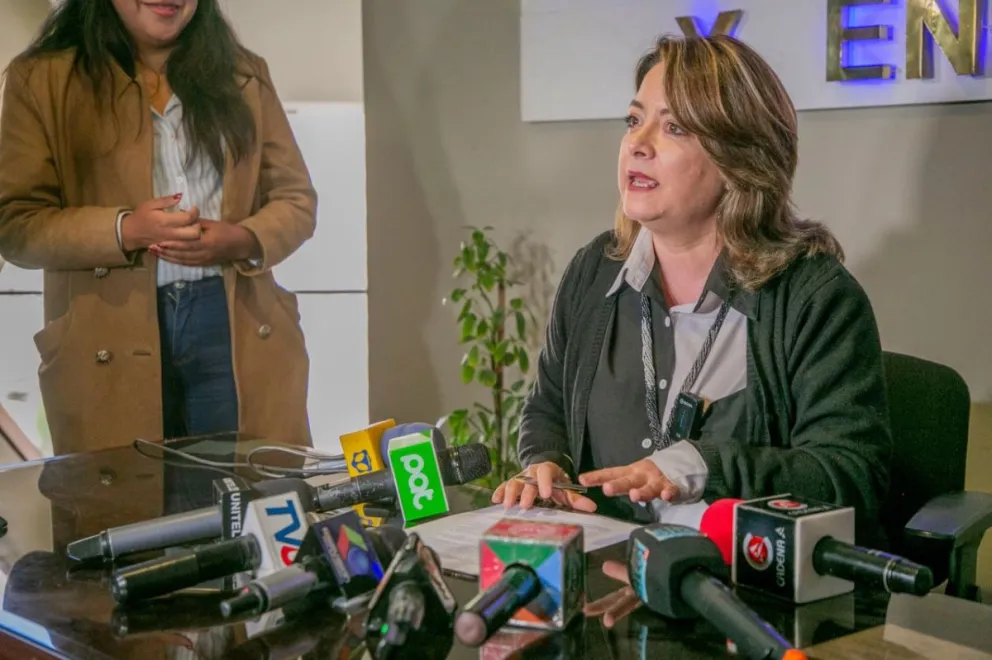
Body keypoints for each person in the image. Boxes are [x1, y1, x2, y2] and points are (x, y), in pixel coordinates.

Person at [493, 34, 892, 547]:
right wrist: (545, 464)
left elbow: (850, 477)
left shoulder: (817, 298)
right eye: (635, 120)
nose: (639, 143)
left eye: (674, 127)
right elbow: (548, 404)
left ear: (739, 161)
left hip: (747, 598)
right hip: (607, 581)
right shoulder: (594, 270)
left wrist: (705, 463)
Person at [0, 0, 316, 457]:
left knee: (248, 500)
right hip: (108, 330)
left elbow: (296, 199)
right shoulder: (44, 79)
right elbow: (16, 224)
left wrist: (241, 238)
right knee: (133, 514)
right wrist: (126, 230)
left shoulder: (244, 75)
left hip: (233, 319)